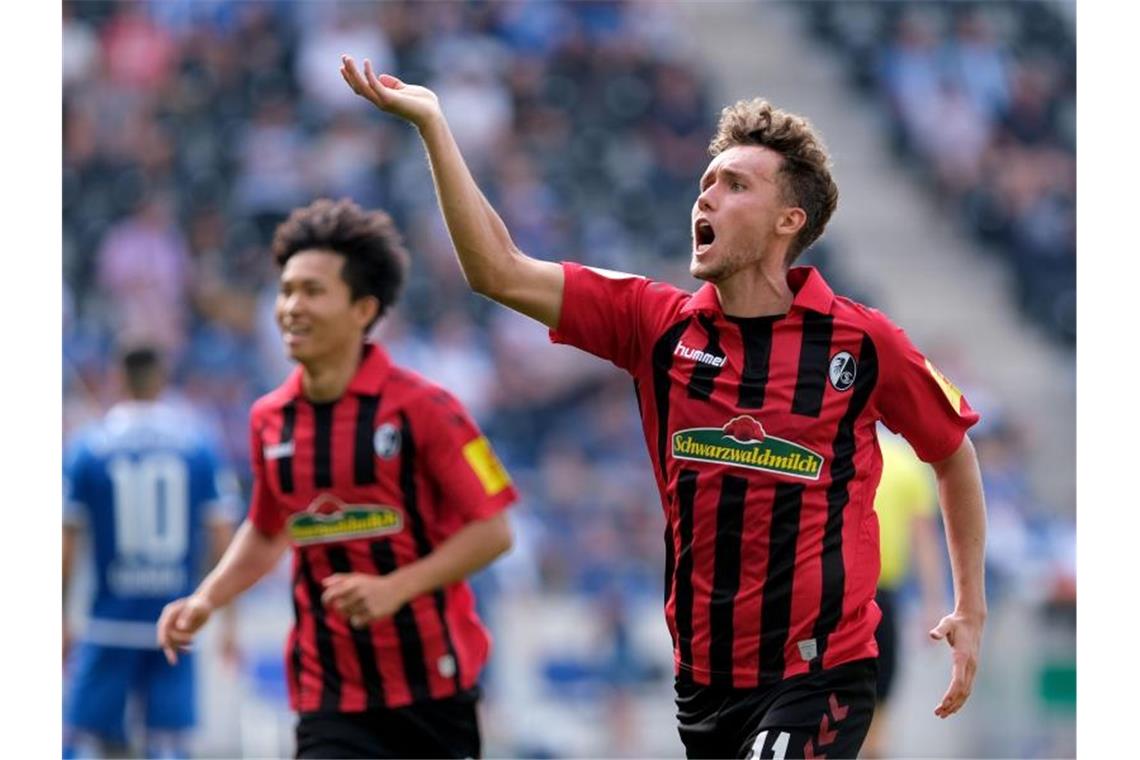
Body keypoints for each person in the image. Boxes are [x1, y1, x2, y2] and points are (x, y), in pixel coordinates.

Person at [340, 55, 988, 760]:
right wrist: (434, 125)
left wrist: (970, 606)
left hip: (819, 671)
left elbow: (952, 451)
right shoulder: (657, 324)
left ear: (787, 220)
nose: (705, 198)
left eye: (734, 185)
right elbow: (495, 269)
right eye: (705, 183)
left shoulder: (861, 342)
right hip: (704, 680)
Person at [156, 198, 517, 759]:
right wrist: (206, 599)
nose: (291, 307)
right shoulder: (269, 419)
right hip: (328, 692)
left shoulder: (427, 408)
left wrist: (393, 588)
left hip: (433, 687)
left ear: (362, 309)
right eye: (286, 290)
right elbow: (267, 529)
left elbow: (494, 532)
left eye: (312, 291)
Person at [63, 346, 240, 759]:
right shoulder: (197, 443)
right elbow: (221, 537)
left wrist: (60, 615)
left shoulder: (88, 446)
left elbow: (67, 544)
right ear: (161, 379)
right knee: (169, 744)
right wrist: (229, 616)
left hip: (107, 620)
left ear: (117, 378)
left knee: (84, 738)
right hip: (176, 621)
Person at [862, 431, 948, 758]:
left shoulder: (835, 447)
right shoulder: (907, 462)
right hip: (877, 596)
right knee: (879, 696)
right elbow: (924, 540)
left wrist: (933, 604)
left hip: (843, 593)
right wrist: (933, 604)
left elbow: (923, 538)